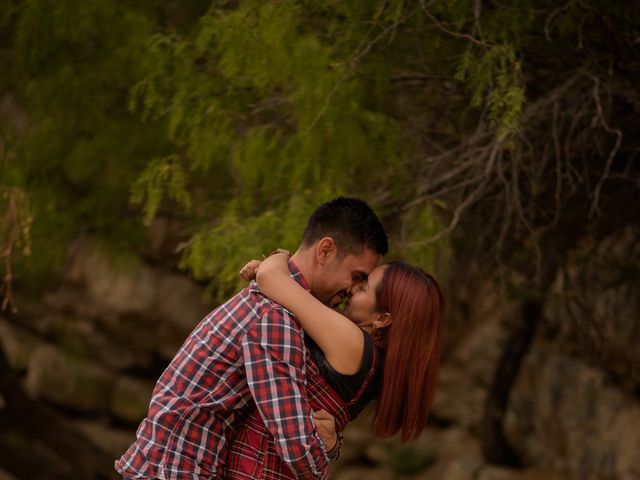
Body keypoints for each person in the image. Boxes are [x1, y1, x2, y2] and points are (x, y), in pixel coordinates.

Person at [114, 197, 388, 480]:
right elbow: (296, 447)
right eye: (356, 276)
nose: (352, 291)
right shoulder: (276, 317)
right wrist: (328, 451)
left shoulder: (274, 299)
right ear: (326, 250)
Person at [226, 252, 443, 479]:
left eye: (362, 288)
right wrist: (334, 446)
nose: (351, 289)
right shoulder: (370, 359)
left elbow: (272, 278)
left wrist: (281, 258)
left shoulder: (353, 343)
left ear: (382, 319)